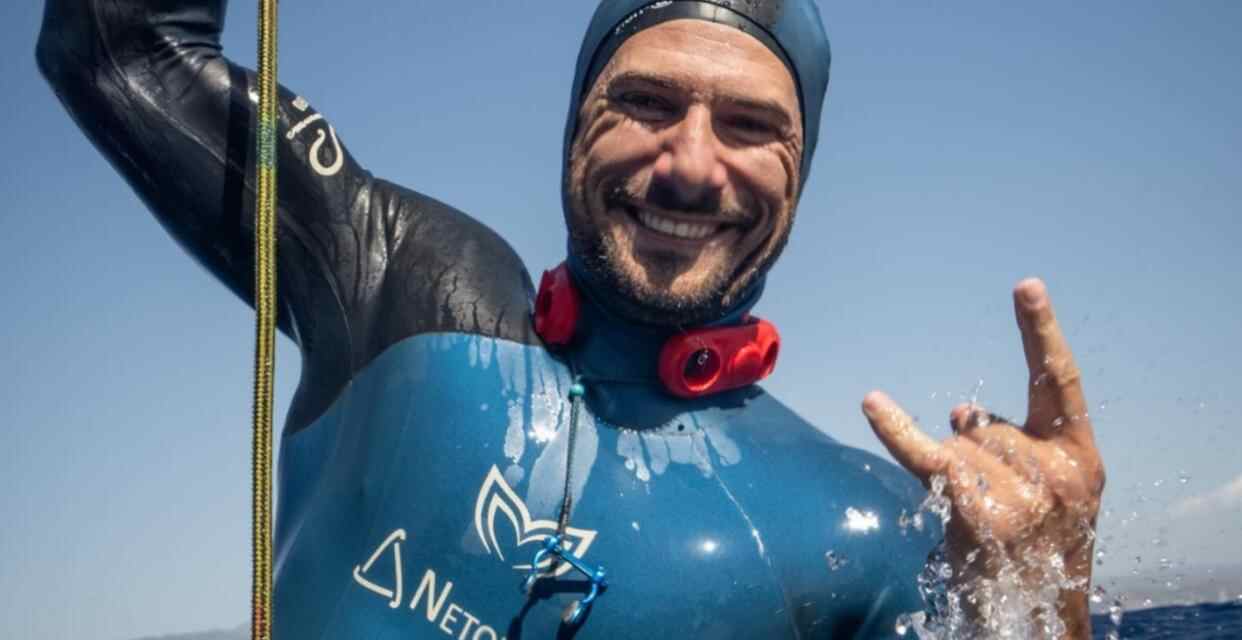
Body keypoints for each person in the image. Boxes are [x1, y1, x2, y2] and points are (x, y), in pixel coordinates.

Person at [36, 0, 1104, 637]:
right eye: (646, 102)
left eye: (750, 126)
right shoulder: (397, 281)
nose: (691, 165)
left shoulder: (872, 533)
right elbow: (118, 46)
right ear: (575, 116)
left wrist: (1049, 600)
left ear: (804, 167)